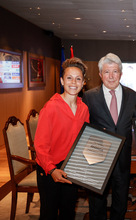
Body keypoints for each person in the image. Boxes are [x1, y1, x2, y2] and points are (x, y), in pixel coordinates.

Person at [82, 53, 136, 220]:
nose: (111, 76)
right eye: (107, 72)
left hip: (123, 157)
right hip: (97, 157)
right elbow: (83, 126)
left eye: (115, 71)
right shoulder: (89, 96)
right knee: (96, 202)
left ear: (121, 73)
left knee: (120, 200)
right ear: (100, 74)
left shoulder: (132, 95)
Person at [35, 57, 90, 220]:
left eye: (78, 78)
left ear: (83, 82)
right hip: (49, 168)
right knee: (49, 213)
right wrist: (52, 169)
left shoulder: (84, 108)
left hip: (71, 167)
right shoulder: (51, 107)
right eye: (69, 78)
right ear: (62, 80)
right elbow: (40, 145)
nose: (74, 82)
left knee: (68, 211)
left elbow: (84, 140)